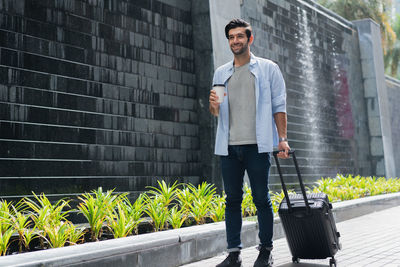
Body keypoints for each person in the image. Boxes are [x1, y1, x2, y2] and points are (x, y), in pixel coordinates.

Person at [209, 19, 290, 267]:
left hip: (258, 146)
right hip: (229, 147)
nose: (235, 41)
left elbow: (279, 106)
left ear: (249, 39)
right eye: (231, 37)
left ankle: (265, 250)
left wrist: (283, 140)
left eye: (239, 36)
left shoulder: (268, 69)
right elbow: (216, 112)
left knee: (261, 198)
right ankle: (233, 254)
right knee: (232, 200)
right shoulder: (221, 72)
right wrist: (213, 106)